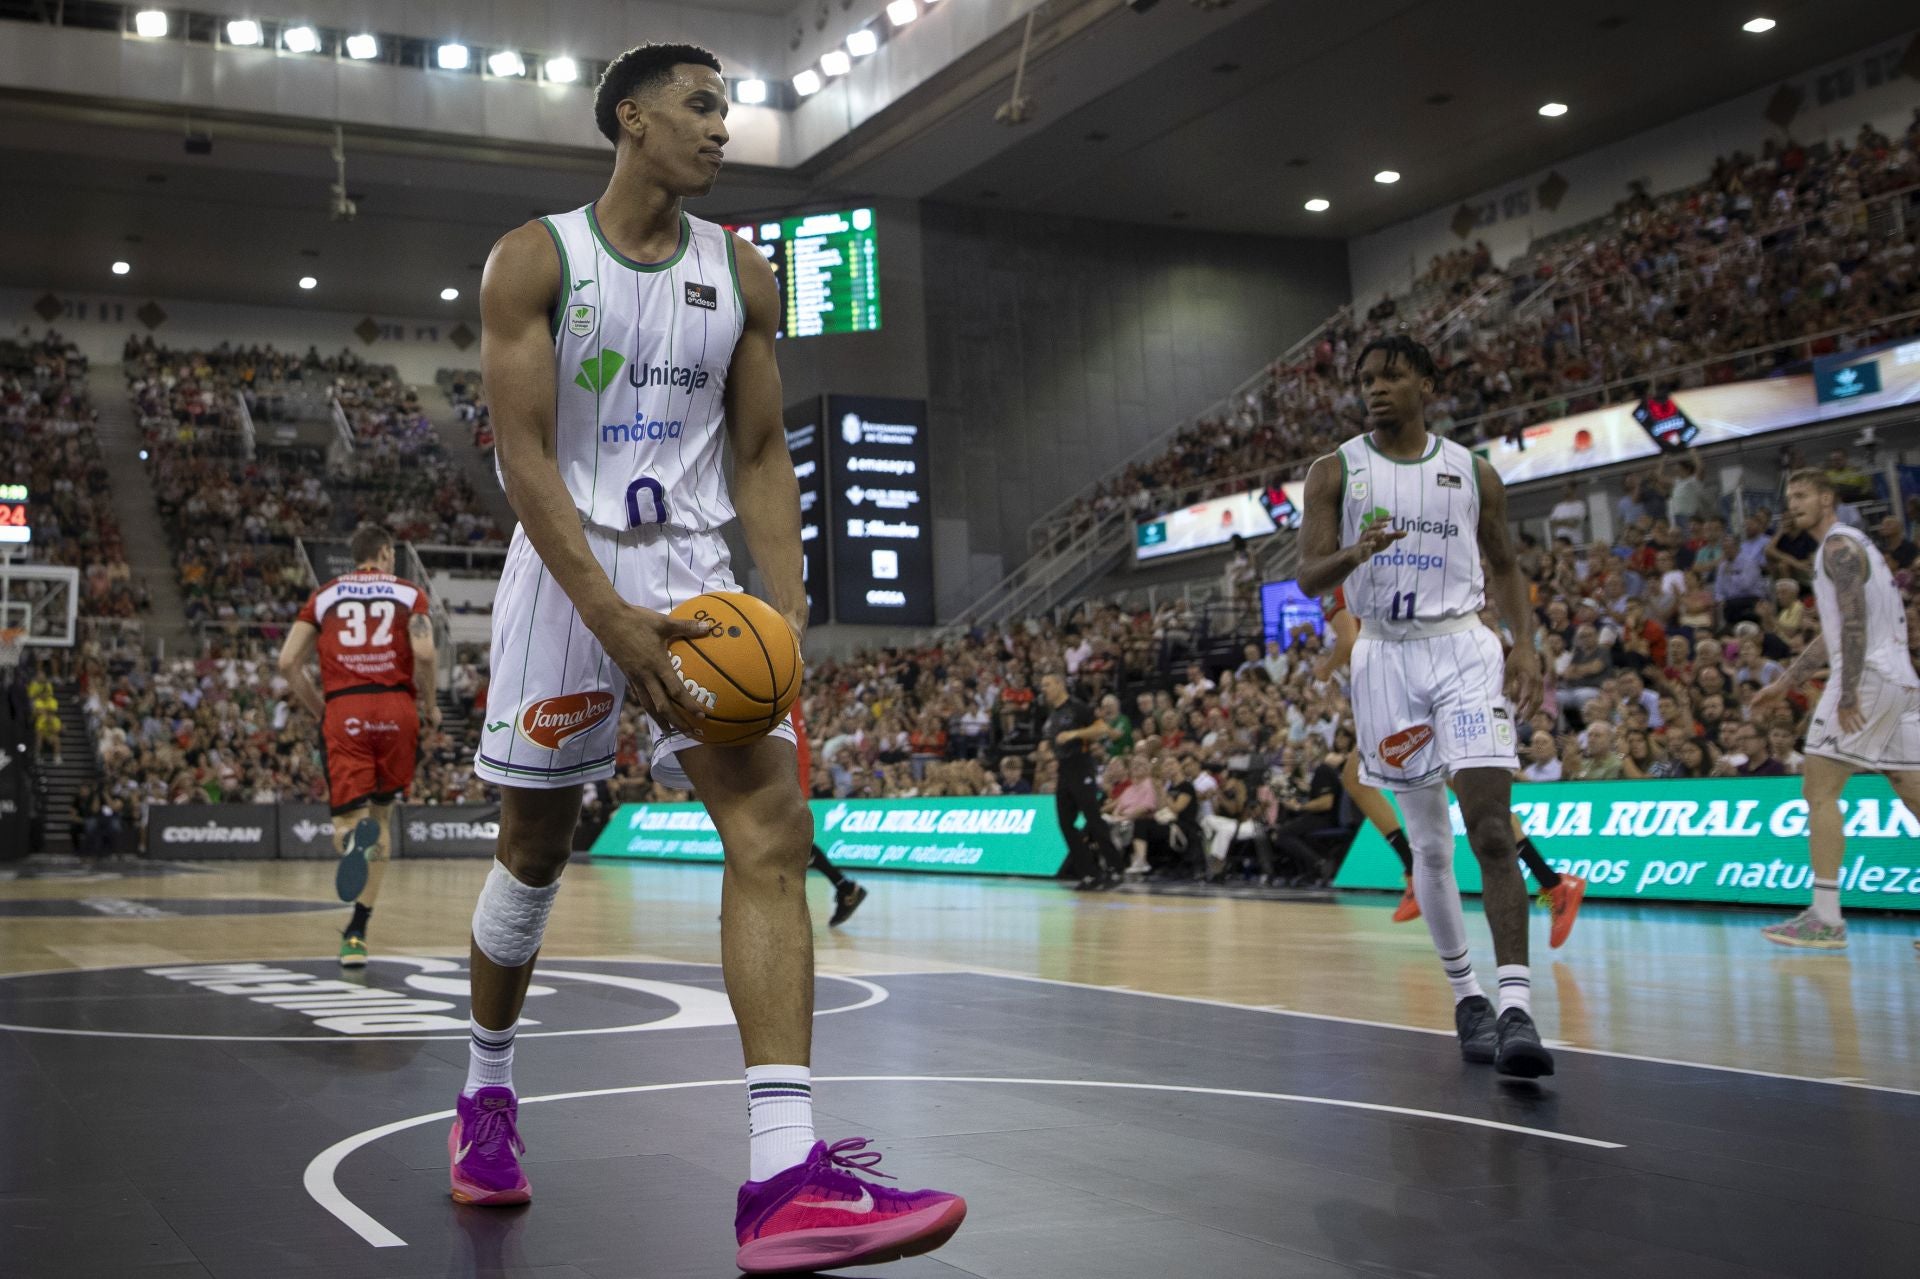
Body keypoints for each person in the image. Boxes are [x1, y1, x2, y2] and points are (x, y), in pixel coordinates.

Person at [455, 44, 963, 1272]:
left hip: (693, 569)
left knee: (772, 831)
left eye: (727, 107)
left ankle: (782, 1176)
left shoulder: (741, 270)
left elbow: (760, 456)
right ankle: (486, 1090)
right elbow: (522, 461)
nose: (723, 128)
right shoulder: (535, 258)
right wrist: (612, 622)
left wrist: (784, 616)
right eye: (701, 105)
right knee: (531, 849)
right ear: (630, 118)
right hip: (565, 566)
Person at [1297, 334, 1553, 1078]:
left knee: (1494, 831)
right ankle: (1467, 994)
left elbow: (1504, 564)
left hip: (1464, 647)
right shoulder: (1334, 471)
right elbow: (1311, 575)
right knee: (1433, 849)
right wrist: (1356, 553)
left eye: (1391, 376)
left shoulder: (1473, 472)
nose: (1376, 388)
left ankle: (1517, 1010)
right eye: (1366, 378)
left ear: (1427, 384)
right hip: (1384, 657)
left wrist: (1526, 644)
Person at [1323, 583, 1585, 945]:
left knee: (1368, 779)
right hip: (1442, 678)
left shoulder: (1342, 582)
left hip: (1417, 690)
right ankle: (1552, 883)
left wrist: (1323, 669)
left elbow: (1348, 642)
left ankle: (1547, 883)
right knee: (1464, 796)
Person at [1752, 469, 1920, 951]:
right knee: (1914, 796)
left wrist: (1847, 693)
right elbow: (1834, 631)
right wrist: (1785, 683)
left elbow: (1852, 625)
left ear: (1828, 499)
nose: (1794, 504)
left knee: (1819, 791)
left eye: (1804, 495)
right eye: (1790, 497)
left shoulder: (1838, 548)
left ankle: (1826, 917)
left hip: (1866, 679)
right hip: (1900, 682)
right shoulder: (1850, 547)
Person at [276, 522, 438, 967]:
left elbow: (288, 661)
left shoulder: (325, 595)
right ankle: (357, 932)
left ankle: (350, 840)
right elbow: (424, 654)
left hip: (345, 709)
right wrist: (432, 704)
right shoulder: (409, 593)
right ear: (386, 553)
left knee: (349, 820)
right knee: (382, 817)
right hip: (395, 709)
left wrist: (320, 709)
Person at [791, 703, 866, 928]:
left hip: (784, 755)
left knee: (788, 837)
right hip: (780, 753)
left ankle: (845, 887)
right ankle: (845, 887)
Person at [1042, 671, 1116, 889]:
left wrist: (1074, 734)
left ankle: (1114, 867)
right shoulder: (1052, 715)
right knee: (1065, 823)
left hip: (1081, 766)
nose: (1044, 689)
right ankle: (1089, 873)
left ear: (1059, 685)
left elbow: (1102, 729)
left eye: (1047, 684)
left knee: (1093, 818)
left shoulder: (1077, 707)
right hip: (1063, 771)